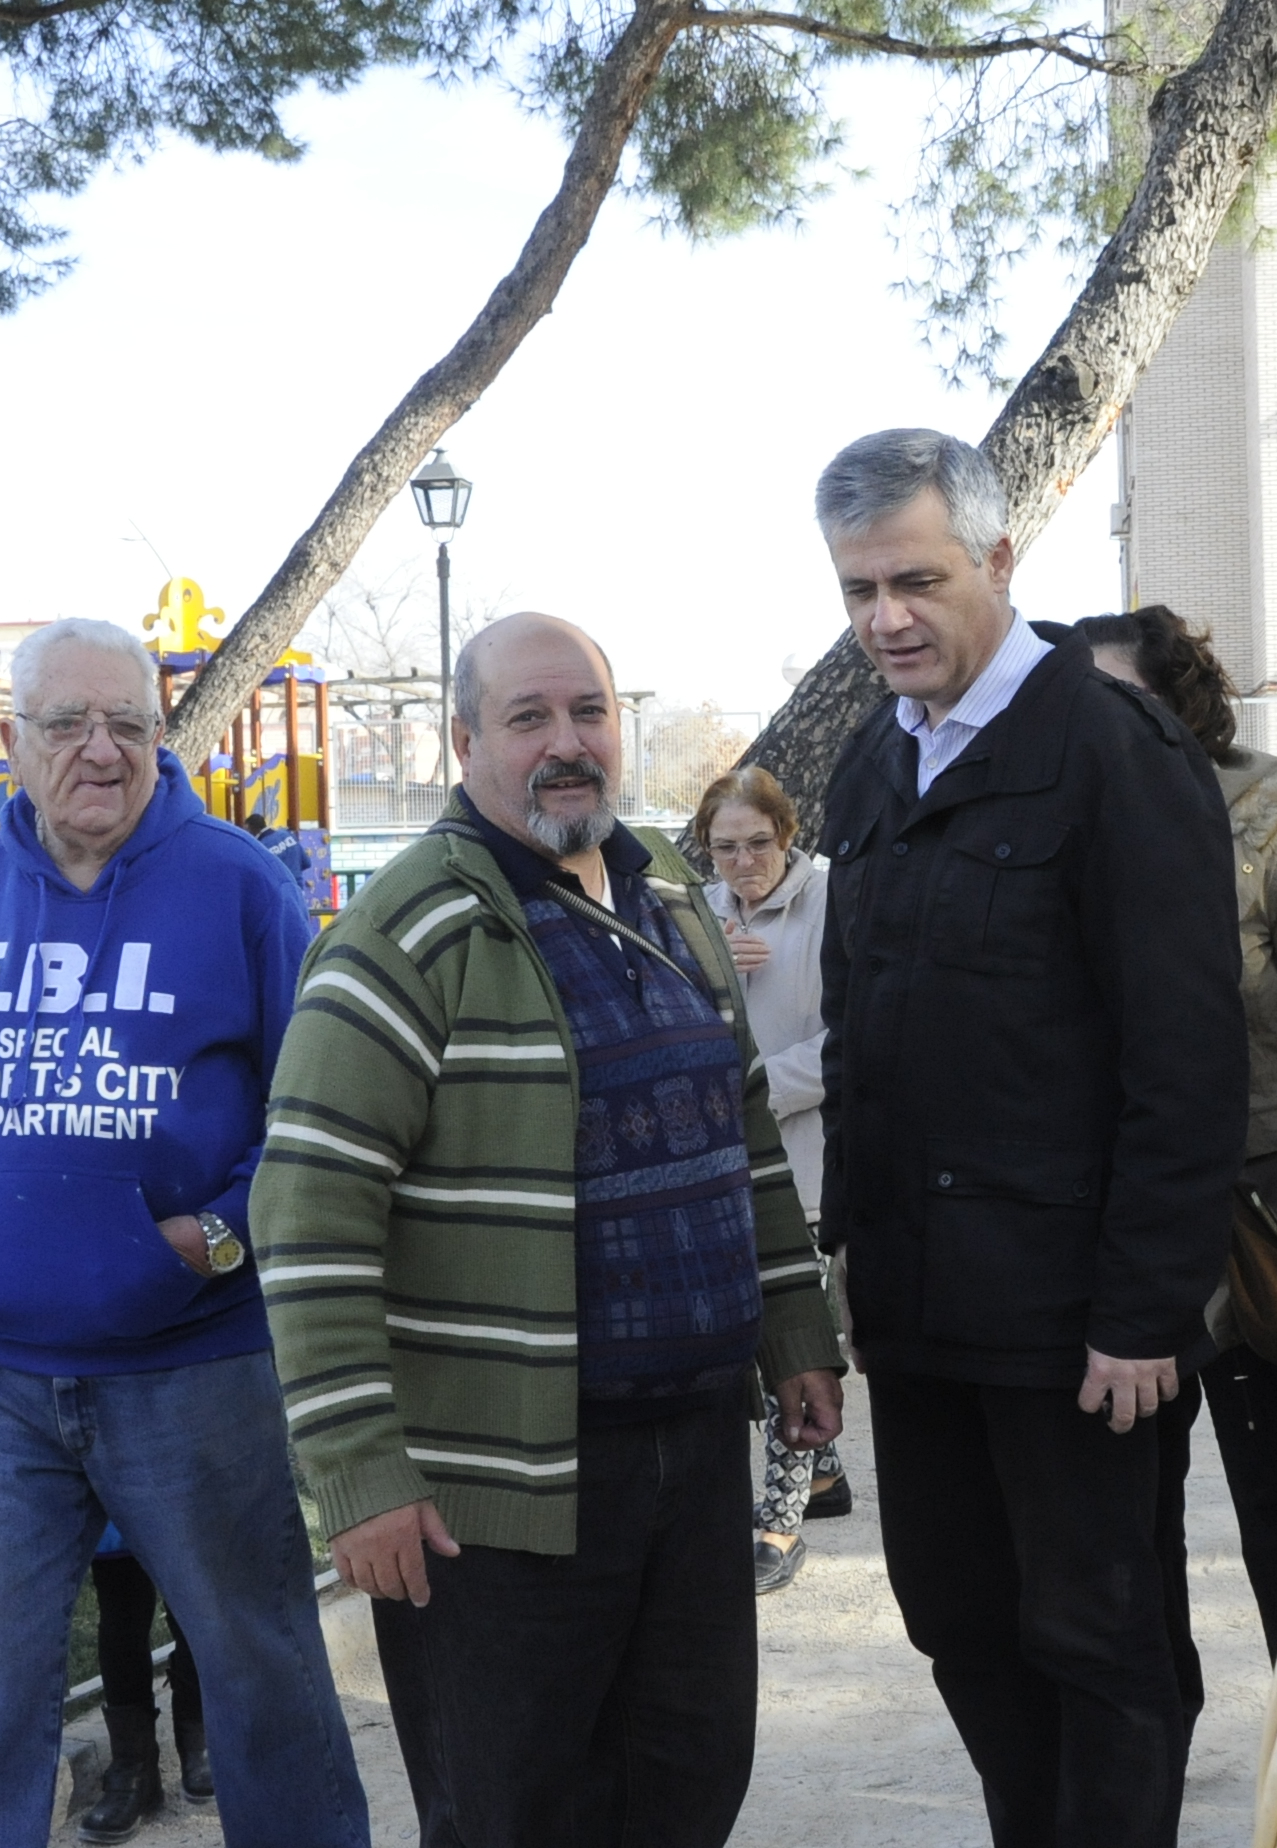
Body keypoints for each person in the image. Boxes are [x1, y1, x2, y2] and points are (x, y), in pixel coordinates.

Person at [251, 612, 843, 1847]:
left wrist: (795, 1330)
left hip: (686, 1452)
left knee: (686, 1786)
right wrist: (360, 1478)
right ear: (464, 741)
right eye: (528, 718)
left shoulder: (670, 900)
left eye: (588, 712)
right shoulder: (408, 934)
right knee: (514, 1813)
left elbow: (742, 1135)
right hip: (500, 1489)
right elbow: (307, 1217)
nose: (565, 743)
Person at [0, 617, 367, 1848]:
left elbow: (308, 1115)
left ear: (160, 735)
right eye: (69, 726)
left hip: (192, 1371)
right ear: (10, 743)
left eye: (130, 725)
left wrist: (212, 1242)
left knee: (264, 1680)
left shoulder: (242, 887)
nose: (103, 751)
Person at [814, 430, 1248, 1848]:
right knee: (958, 1622)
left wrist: (1144, 1311)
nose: (887, 619)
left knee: (1102, 1643)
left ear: (999, 561)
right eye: (860, 589)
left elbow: (1185, 1063)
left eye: (918, 581)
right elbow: (856, 1047)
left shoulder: (1115, 753)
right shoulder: (874, 769)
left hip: (1078, 1330)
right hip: (926, 1315)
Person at [1074, 603, 1277, 1825]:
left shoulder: (1272, 839)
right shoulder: (1064, 829)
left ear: (1181, 705)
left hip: (1262, 1228)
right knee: (1124, 1539)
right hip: (1113, 1243)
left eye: (1122, 699)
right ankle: (1144, 1783)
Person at [695, 765, 852, 1595]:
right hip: (731, 1156)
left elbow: (848, 1036)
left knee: (798, 1328)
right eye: (724, 849)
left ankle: (782, 1519)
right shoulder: (700, 911)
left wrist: (753, 1092)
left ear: (787, 837)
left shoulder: (829, 900)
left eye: (758, 844)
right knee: (755, 1318)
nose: (742, 863)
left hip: (812, 1152)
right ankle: (820, 1470)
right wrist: (711, 960)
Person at [78, 1531, 206, 1845]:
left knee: (192, 1590)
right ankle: (134, 1769)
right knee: (120, 1604)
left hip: (180, 1487)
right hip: (110, 1489)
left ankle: (202, 1740)